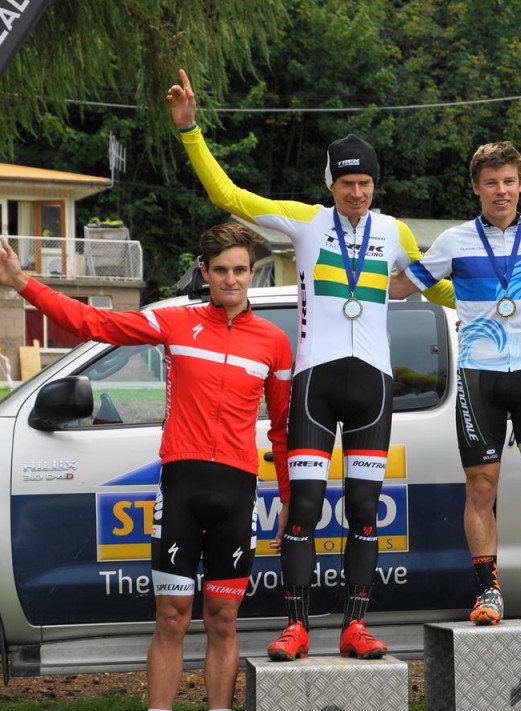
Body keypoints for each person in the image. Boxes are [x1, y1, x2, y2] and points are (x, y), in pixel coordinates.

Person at [0, 223, 292, 711]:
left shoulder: (273, 341)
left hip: (238, 493)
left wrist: (288, 494)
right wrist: (21, 282)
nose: (232, 280)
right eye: (221, 270)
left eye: (241, 270)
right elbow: (92, 324)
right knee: (171, 618)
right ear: (205, 271)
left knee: (224, 619)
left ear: (252, 273)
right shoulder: (174, 322)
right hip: (181, 486)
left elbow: (285, 426)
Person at [167, 69, 453, 663]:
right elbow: (229, 197)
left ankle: (356, 625)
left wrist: (510, 297)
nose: (357, 193)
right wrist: (191, 130)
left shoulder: (395, 232)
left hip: (373, 385)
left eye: (366, 182)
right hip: (314, 384)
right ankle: (295, 626)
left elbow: (432, 287)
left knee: (365, 511)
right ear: (332, 183)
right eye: (348, 183)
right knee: (301, 509)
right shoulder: (303, 221)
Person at [400, 141, 521, 627]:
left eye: (509, 181)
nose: (501, 191)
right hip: (478, 377)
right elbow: (401, 286)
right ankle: (489, 593)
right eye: (491, 182)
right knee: (481, 489)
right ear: (476, 187)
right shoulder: (455, 242)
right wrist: (351, 264)